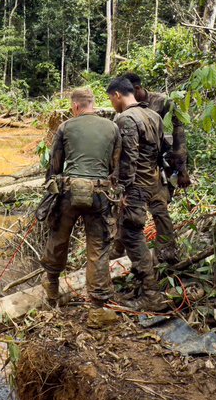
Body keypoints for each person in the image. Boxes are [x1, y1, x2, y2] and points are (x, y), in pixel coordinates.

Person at [40, 86, 119, 308]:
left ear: (75, 106)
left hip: (68, 194)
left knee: (58, 238)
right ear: (92, 103)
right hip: (99, 194)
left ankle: (52, 290)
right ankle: (97, 306)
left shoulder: (66, 127)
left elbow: (54, 166)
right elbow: (116, 167)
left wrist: (49, 195)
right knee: (98, 247)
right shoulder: (112, 127)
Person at [106, 76, 168, 309]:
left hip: (135, 187)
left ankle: (151, 293)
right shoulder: (153, 116)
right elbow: (160, 150)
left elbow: (128, 158)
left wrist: (123, 191)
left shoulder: (126, 119)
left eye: (111, 99)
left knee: (133, 233)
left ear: (117, 96)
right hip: (151, 181)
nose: (112, 104)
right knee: (127, 230)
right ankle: (125, 274)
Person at [120, 72, 189, 265]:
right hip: (138, 169)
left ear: (137, 89)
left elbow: (178, 137)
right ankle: (120, 255)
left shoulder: (163, 103)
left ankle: (166, 253)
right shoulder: (126, 109)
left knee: (159, 208)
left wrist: (182, 169)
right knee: (129, 213)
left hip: (162, 165)